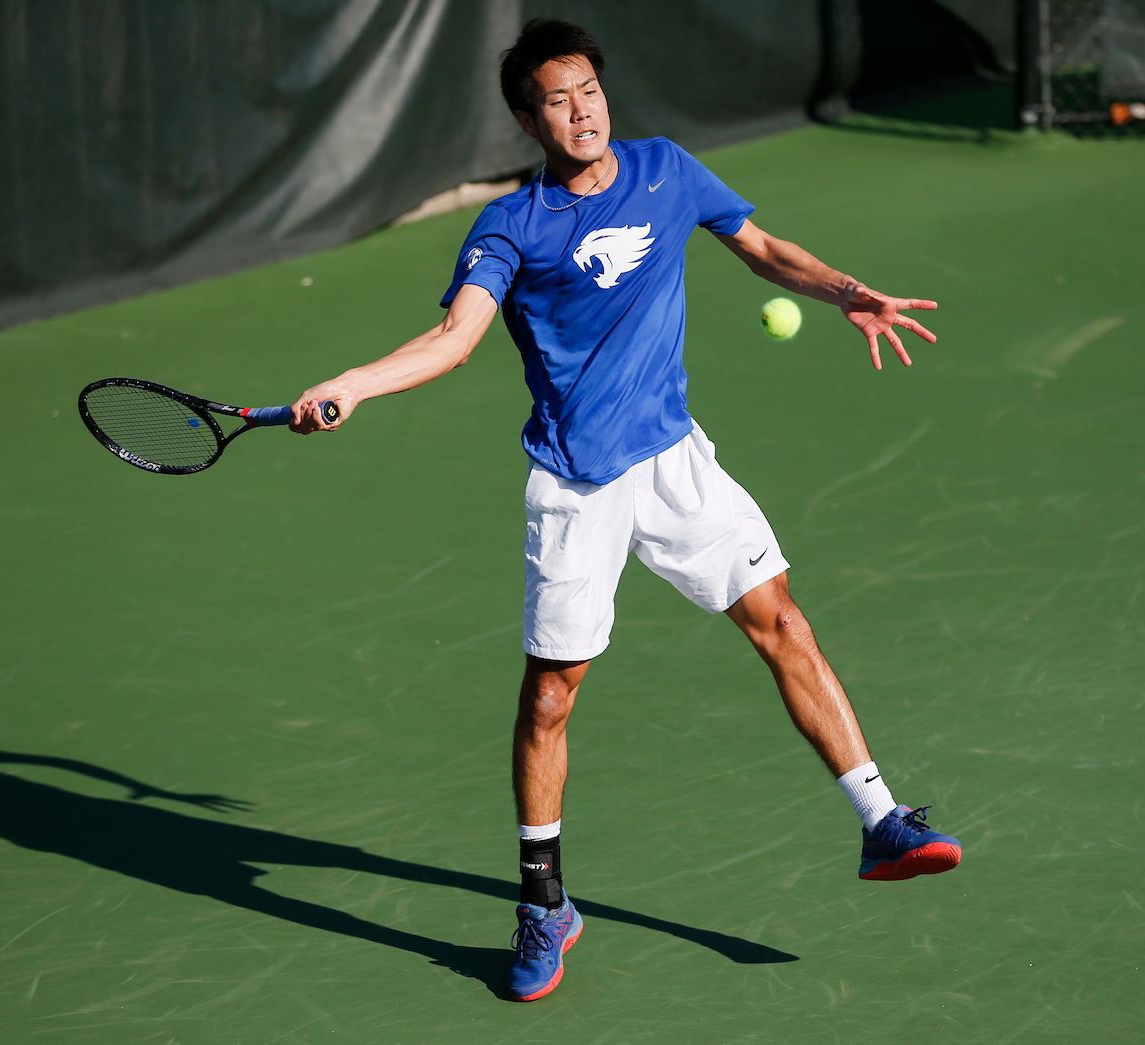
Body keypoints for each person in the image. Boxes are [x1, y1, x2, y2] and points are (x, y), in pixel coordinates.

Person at [291, 18, 961, 1003]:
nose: (581, 111)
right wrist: (355, 380)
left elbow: (763, 247)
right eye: (557, 100)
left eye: (589, 91)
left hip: (675, 461)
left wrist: (847, 292)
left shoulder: (666, 170)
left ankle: (880, 820)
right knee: (553, 693)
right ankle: (543, 901)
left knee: (782, 621)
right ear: (529, 119)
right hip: (576, 483)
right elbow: (454, 338)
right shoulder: (511, 228)